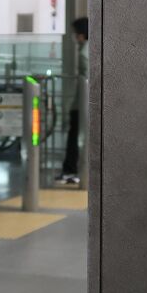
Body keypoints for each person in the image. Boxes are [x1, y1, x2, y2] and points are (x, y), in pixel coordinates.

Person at [58, 17, 88, 184]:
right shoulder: (91, 50)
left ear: (81, 34)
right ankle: (74, 170)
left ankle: (71, 170)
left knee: (74, 137)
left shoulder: (84, 53)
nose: (75, 37)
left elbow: (87, 80)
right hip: (84, 104)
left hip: (82, 105)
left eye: (76, 33)